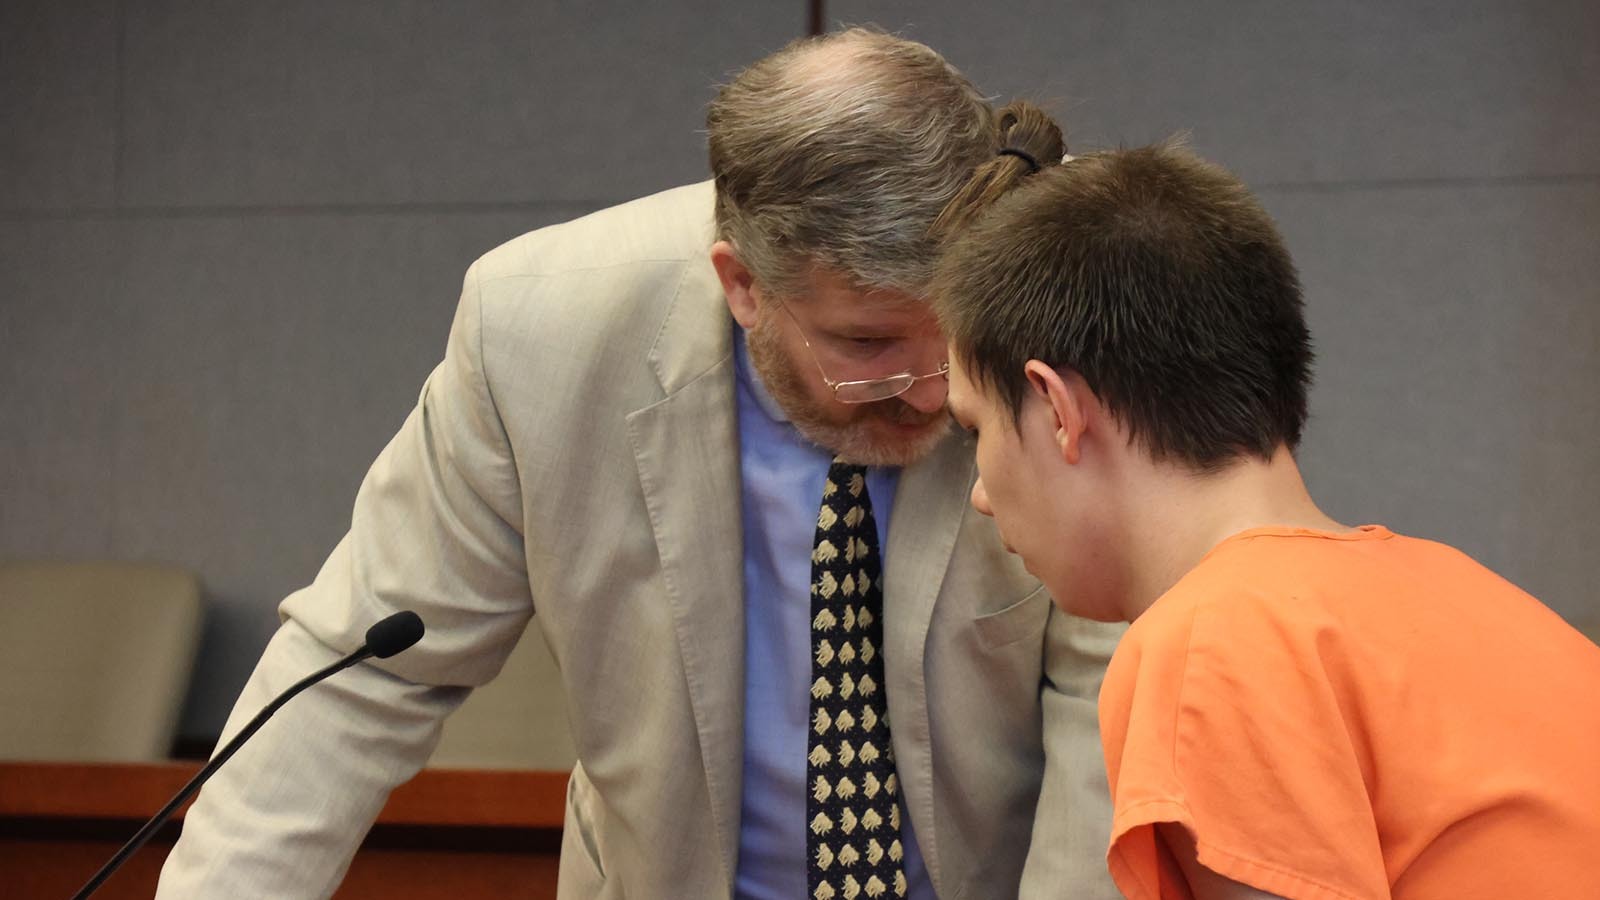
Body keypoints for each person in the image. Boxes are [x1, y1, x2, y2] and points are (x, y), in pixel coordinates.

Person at [156, 29, 1125, 900]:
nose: (925, 391)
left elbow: (1117, 682)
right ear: (741, 285)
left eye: (950, 338)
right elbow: (364, 672)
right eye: (865, 345)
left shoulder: (1089, 290)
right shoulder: (538, 332)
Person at [932, 127, 1600, 899]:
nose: (980, 493)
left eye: (975, 429)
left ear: (1057, 411)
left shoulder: (1207, 645)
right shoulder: (1472, 596)